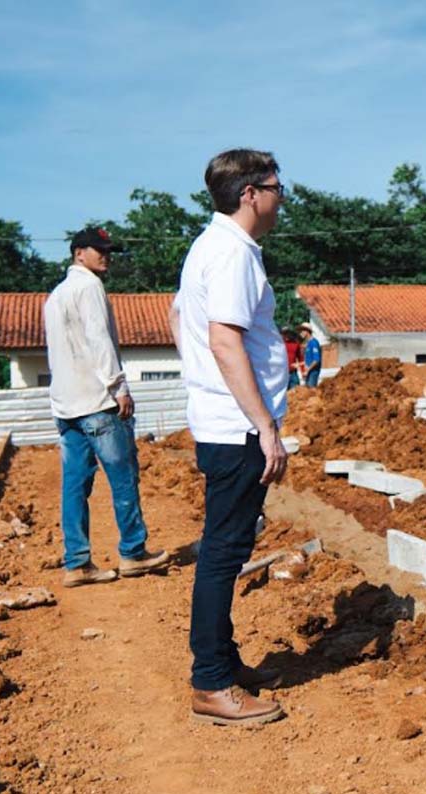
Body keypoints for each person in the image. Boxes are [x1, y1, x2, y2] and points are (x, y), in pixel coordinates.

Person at [170, 148, 289, 726]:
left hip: (223, 420)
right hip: (237, 428)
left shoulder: (208, 247)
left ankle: (223, 662)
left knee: (226, 548)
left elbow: (177, 320)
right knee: (223, 553)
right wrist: (263, 425)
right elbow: (224, 341)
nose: (280, 198)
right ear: (250, 194)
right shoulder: (232, 254)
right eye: (276, 187)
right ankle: (211, 682)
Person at [43, 227, 170, 589]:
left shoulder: (55, 295)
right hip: (97, 401)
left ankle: (78, 563)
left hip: (66, 404)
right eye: (98, 250)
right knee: (124, 477)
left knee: (74, 485)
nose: (106, 256)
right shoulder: (89, 287)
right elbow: (100, 340)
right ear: (78, 253)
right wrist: (119, 386)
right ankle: (133, 553)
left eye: (107, 250)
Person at [298, 323, 322, 387]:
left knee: (311, 392)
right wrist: (300, 364)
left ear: (307, 331)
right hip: (309, 373)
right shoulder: (309, 343)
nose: (300, 333)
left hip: (312, 373)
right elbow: (309, 360)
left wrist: (307, 371)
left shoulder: (314, 343)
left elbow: (316, 360)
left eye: (302, 331)